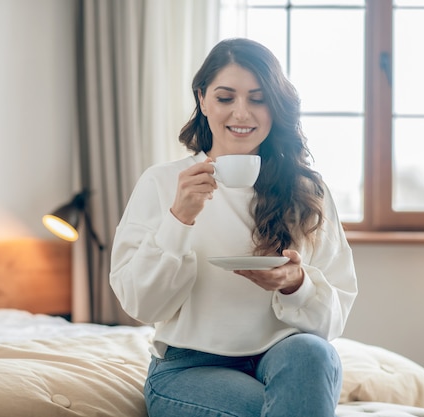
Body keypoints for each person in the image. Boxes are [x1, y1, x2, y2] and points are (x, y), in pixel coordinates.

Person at [110, 38, 358, 417]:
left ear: (275, 106)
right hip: (190, 367)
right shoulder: (164, 183)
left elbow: (332, 320)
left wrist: (296, 284)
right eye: (226, 98)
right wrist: (179, 219)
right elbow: (142, 306)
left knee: (313, 353)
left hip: (285, 358)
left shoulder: (308, 192)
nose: (241, 113)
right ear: (203, 100)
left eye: (257, 99)